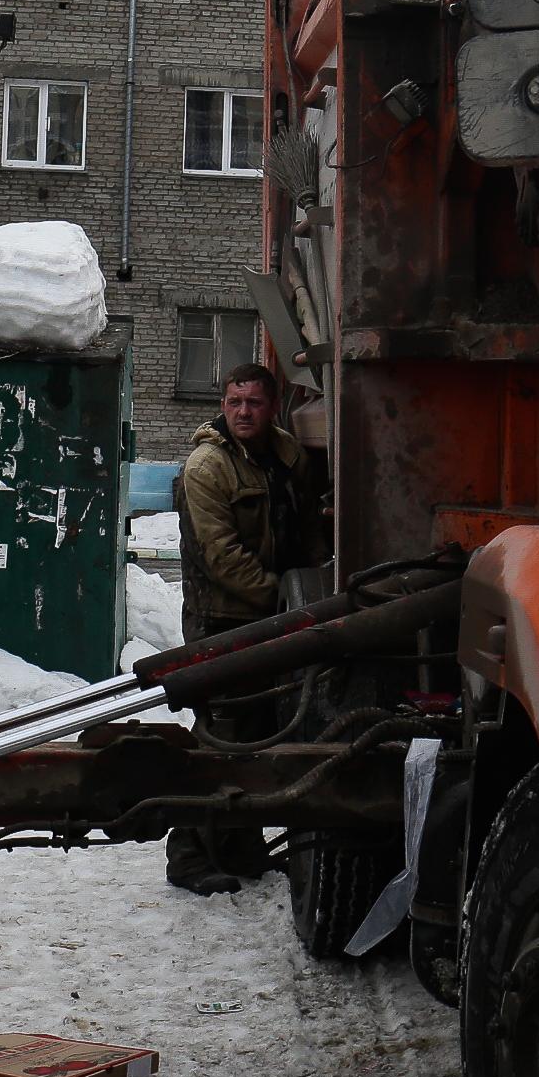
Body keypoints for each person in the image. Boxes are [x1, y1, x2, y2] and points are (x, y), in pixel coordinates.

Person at [164, 363, 325, 894]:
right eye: (234, 403)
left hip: (268, 620)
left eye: (253, 403)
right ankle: (187, 855)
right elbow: (221, 558)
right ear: (223, 404)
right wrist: (285, 597)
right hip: (222, 620)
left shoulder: (285, 456)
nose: (243, 413)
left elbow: (305, 530)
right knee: (220, 733)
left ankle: (241, 848)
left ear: (271, 405)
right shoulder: (207, 467)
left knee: (254, 734)